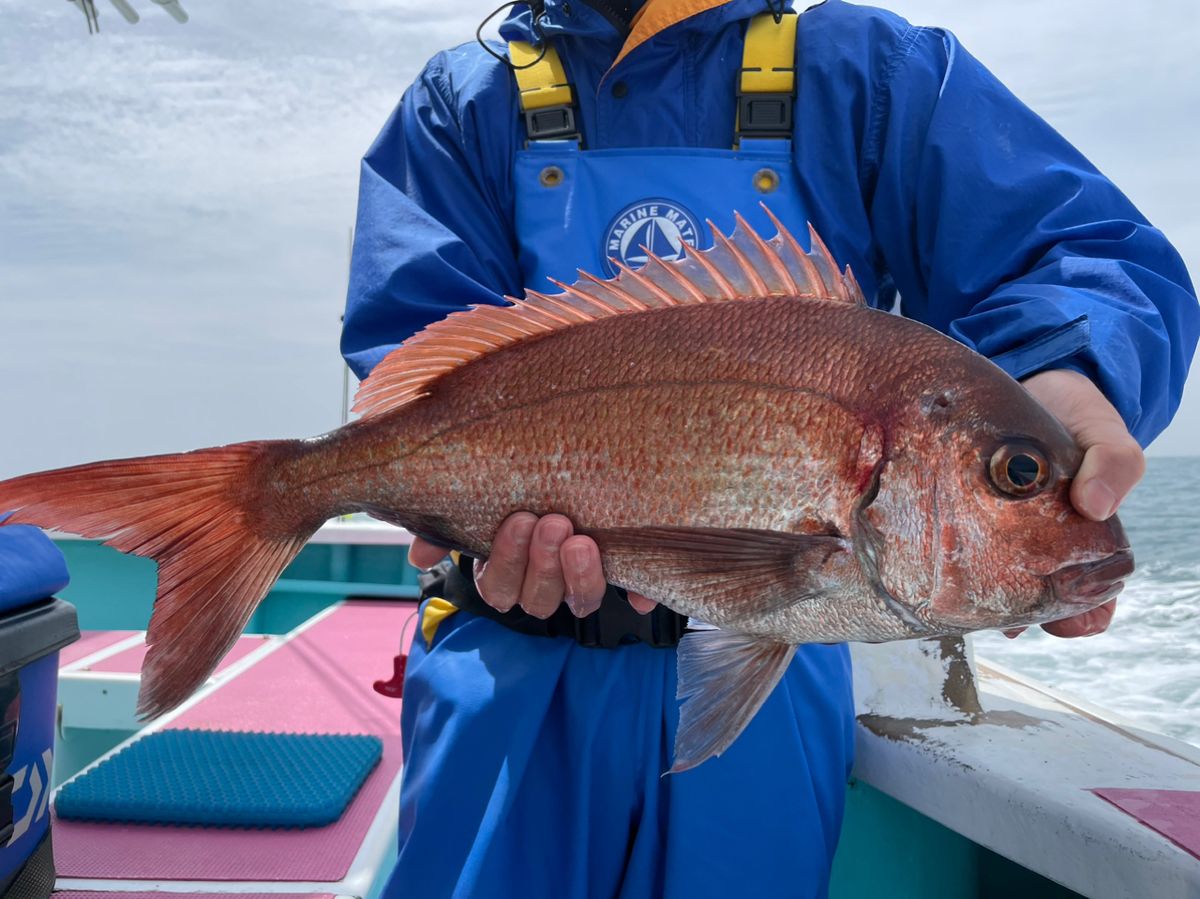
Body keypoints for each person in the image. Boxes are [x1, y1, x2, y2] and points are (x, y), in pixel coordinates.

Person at [342, 1, 1199, 896]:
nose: (1022, 483)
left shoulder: (869, 76)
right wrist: (426, 476)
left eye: (1012, 476)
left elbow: (1084, 250)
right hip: (504, 667)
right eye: (1015, 476)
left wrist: (1072, 369)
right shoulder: (462, 101)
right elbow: (418, 354)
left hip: (777, 684)